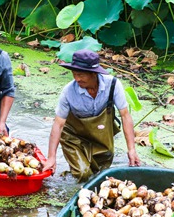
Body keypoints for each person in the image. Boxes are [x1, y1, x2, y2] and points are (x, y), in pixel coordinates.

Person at [43, 50, 141, 180]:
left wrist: (132, 149)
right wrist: (51, 157)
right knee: (83, 173)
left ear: (94, 74)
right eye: (74, 74)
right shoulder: (68, 92)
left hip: (101, 136)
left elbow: (125, 116)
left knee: (100, 176)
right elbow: (58, 124)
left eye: (81, 75)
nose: (77, 79)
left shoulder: (112, 85)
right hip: (73, 137)